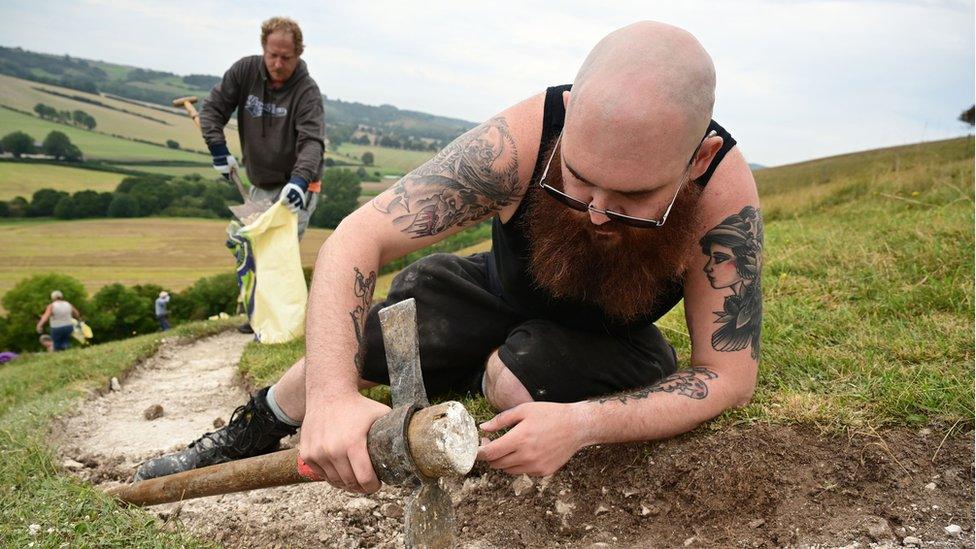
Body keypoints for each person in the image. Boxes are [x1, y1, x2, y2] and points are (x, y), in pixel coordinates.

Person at [135, 22, 764, 492]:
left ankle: (484, 373)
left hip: (608, 341)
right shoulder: (522, 140)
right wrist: (330, 395)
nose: (596, 210)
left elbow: (728, 376)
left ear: (696, 161)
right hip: (492, 290)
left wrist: (581, 425)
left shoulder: (722, 198)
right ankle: (247, 428)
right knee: (368, 342)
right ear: (568, 119)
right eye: (577, 179)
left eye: (631, 196)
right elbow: (358, 236)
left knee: (518, 379)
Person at [200, 16, 326, 334]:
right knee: (247, 245)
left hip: (299, 185)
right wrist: (217, 149)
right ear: (263, 48)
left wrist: (298, 183)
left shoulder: (307, 92)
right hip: (260, 184)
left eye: (286, 57)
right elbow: (213, 109)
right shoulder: (245, 72)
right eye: (272, 55)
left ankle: (279, 324)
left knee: (277, 251)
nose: (278, 63)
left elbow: (312, 142)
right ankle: (258, 316)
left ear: (298, 54)